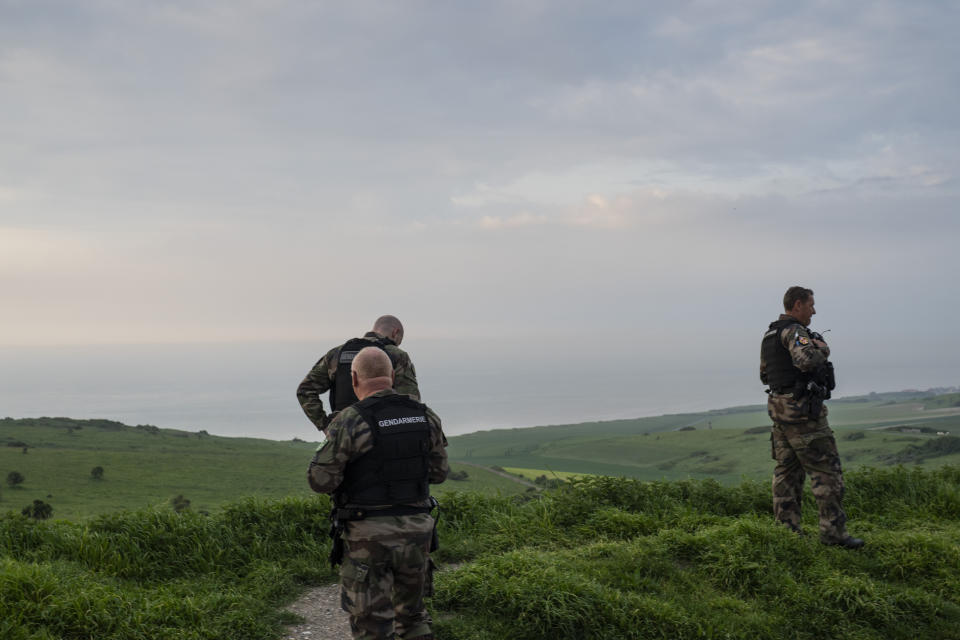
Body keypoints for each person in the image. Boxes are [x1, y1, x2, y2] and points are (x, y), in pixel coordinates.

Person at [308, 346, 448, 640]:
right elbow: (438, 473)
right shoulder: (425, 415)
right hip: (416, 532)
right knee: (413, 618)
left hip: (367, 537)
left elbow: (320, 480)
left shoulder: (349, 420)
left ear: (355, 378)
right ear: (393, 376)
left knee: (373, 626)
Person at [759, 286, 864, 549]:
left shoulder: (770, 334)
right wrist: (822, 348)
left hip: (780, 414)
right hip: (803, 415)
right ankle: (833, 535)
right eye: (810, 305)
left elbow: (765, 375)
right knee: (827, 472)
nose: (814, 311)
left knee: (787, 474)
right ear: (797, 305)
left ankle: (787, 534)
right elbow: (807, 361)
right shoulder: (795, 332)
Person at [298, 315, 420, 433]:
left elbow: (305, 390)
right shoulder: (397, 355)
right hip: (382, 433)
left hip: (343, 433)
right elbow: (411, 401)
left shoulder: (337, 354)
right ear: (395, 332)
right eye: (399, 341)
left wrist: (325, 425)